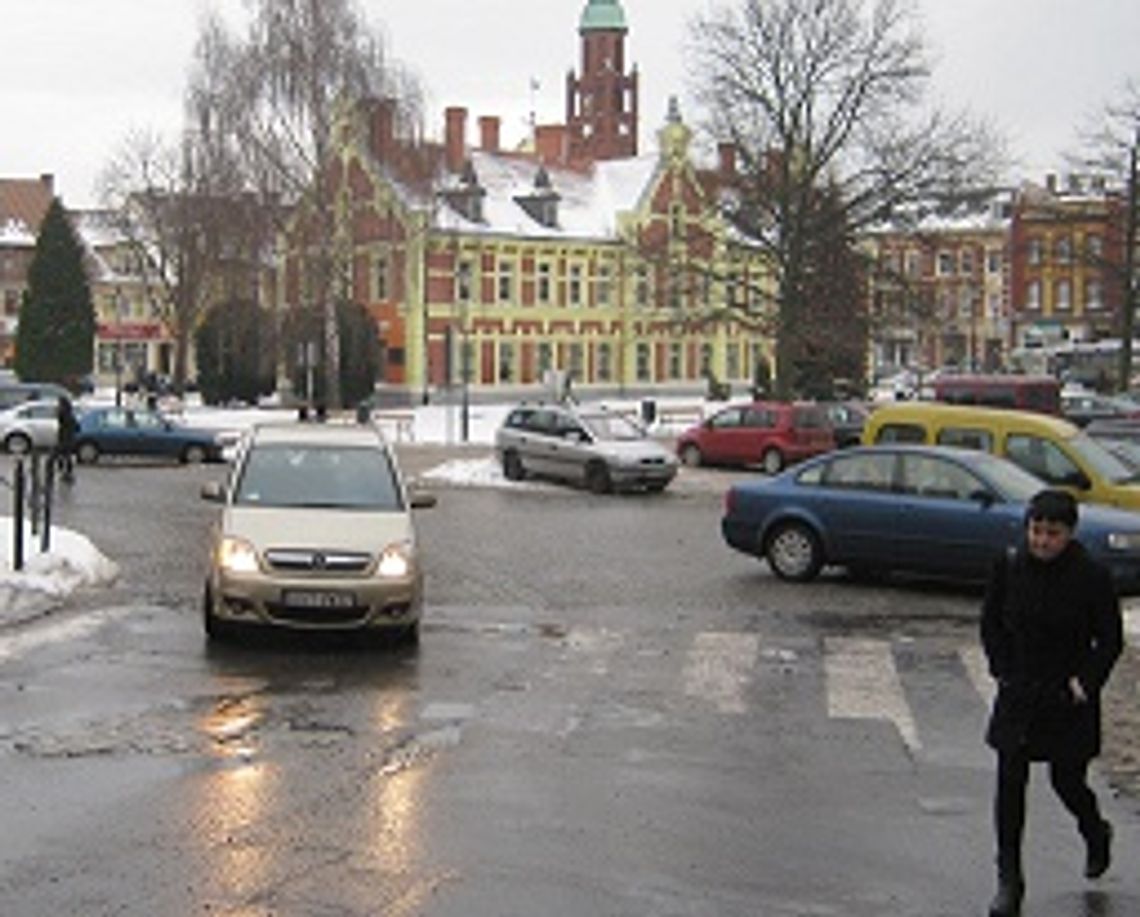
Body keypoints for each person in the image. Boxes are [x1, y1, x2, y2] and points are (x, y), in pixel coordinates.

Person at [980, 488, 1123, 916]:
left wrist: (1085, 682)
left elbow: (1110, 639)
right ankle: (1009, 880)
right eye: (1036, 531)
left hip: (1067, 696)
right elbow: (991, 623)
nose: (1042, 541)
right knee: (1009, 784)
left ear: (1070, 533)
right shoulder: (1008, 566)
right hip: (1020, 691)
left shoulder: (1091, 575)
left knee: (1068, 781)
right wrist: (1002, 668)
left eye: (1052, 533)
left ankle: (1095, 831)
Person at [54, 395, 79, 484]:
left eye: (59, 403)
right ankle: (66, 473)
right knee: (65, 456)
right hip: (68, 439)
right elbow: (77, 427)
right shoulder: (70, 414)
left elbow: (60, 419)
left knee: (60, 456)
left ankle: (65, 473)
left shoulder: (65, 414)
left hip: (65, 439)